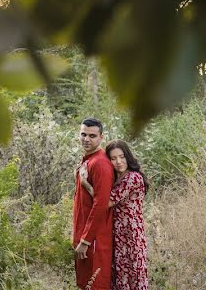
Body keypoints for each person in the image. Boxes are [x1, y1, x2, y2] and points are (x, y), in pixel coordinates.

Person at [80, 139, 150, 290]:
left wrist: (85, 183)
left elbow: (105, 202)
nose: (118, 161)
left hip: (131, 235)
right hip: (118, 234)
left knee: (132, 276)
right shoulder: (117, 178)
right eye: (113, 158)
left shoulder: (133, 178)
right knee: (119, 275)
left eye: (122, 156)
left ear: (128, 157)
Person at [72, 118, 114, 290]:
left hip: (94, 239)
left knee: (95, 285)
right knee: (84, 283)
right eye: (83, 134)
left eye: (92, 135)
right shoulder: (88, 160)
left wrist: (86, 240)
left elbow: (100, 205)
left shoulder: (100, 163)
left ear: (101, 137)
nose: (86, 139)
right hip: (85, 235)